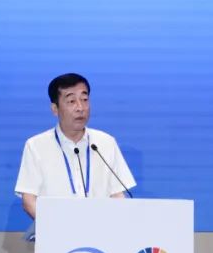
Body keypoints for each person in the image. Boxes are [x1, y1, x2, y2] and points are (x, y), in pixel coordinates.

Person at [15, 73, 136, 234]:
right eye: (71, 101)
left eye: (84, 99)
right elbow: (29, 200)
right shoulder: (36, 146)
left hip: (103, 235)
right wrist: (58, 231)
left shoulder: (106, 143)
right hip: (56, 236)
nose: (80, 107)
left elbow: (118, 195)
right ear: (55, 109)